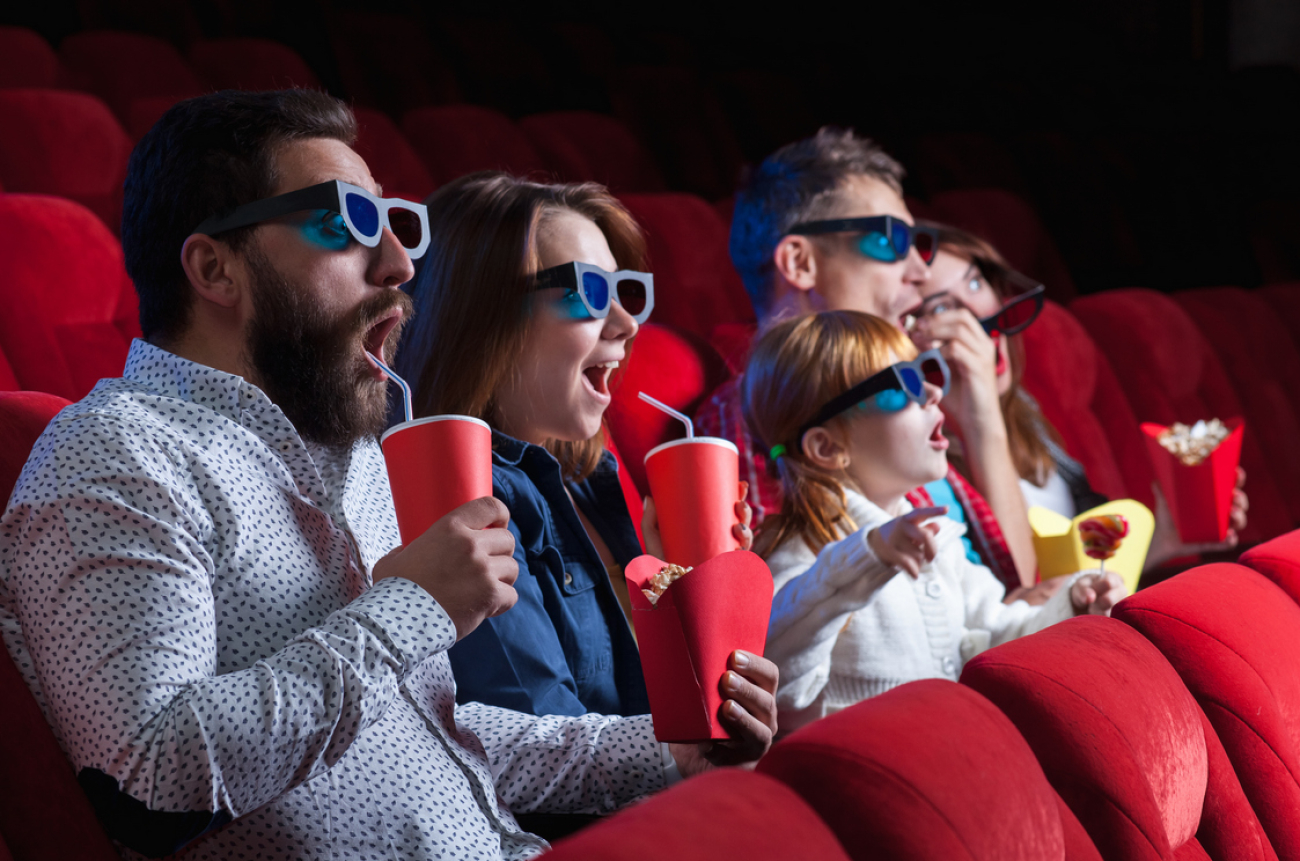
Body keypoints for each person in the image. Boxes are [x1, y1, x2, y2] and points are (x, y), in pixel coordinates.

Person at [0, 90, 775, 861]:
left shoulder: (359, 455)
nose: (401, 264)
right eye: (350, 223)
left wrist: (671, 750)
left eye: (394, 222)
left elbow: (441, 739)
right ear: (215, 268)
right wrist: (410, 608)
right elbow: (149, 782)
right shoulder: (118, 452)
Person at [395, 172, 757, 720]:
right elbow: (538, 735)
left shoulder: (590, 475)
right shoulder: (462, 494)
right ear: (482, 314)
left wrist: (686, 590)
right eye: (587, 291)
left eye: (621, 290)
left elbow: (680, 710)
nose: (627, 323)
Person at [742, 311, 1125, 733]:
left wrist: (1073, 607)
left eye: (924, 372)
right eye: (900, 385)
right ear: (827, 447)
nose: (931, 391)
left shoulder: (935, 537)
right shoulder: (805, 554)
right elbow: (782, 678)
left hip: (959, 750)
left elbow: (999, 633)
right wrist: (868, 558)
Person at [696, 127, 1036, 590]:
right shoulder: (751, 418)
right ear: (800, 263)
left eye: (918, 245)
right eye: (892, 239)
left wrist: (982, 418)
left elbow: (1015, 584)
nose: (920, 272)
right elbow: (776, 608)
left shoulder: (907, 396)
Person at [906, 222, 1249, 571]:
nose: (978, 314)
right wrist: (981, 419)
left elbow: (1082, 579)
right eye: (940, 308)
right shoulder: (926, 472)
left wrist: (1165, 538)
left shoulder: (1022, 409)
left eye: (975, 283)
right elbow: (1027, 597)